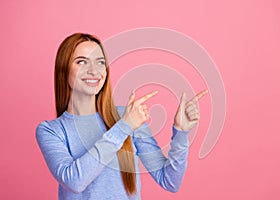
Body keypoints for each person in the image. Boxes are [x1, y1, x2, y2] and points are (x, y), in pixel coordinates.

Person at [36, 33, 208, 200]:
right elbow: (74, 181)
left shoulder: (126, 117)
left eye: (100, 62)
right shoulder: (51, 130)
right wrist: (124, 126)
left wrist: (181, 133)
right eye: (82, 62)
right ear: (63, 69)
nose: (94, 71)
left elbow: (170, 181)